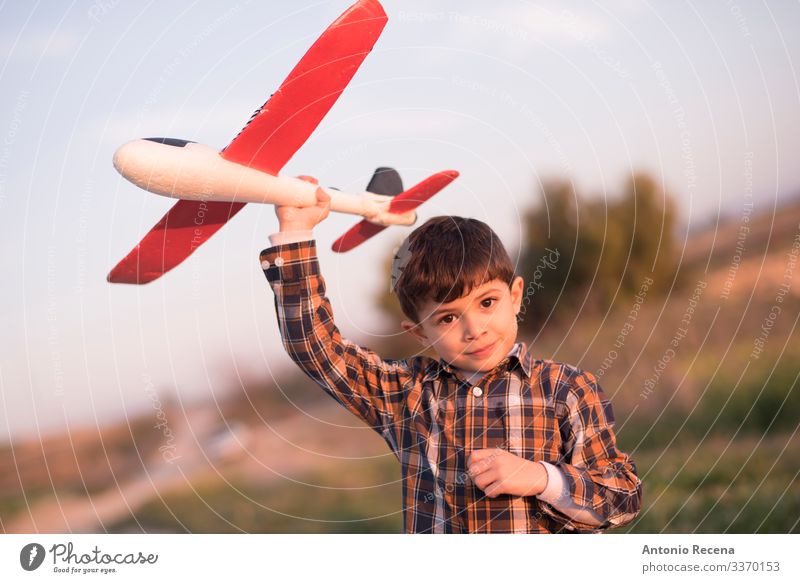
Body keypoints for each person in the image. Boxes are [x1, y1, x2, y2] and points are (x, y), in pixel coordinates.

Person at [259, 186, 642, 533]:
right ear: (419, 332)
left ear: (516, 295)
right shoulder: (406, 395)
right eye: (447, 317)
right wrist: (296, 230)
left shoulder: (568, 390)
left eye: (487, 303)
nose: (474, 329)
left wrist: (543, 479)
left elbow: (622, 499)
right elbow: (315, 347)